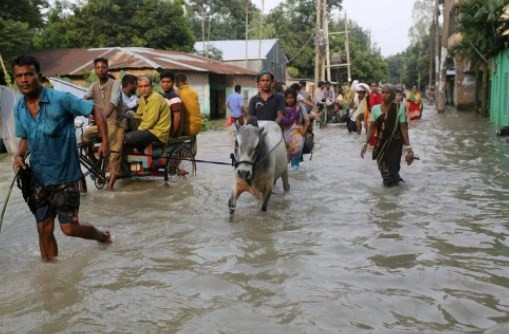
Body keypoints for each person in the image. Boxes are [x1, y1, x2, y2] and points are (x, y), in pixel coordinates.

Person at [11, 55, 111, 261]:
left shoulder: (61, 99)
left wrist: (105, 142)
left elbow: (96, 110)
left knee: (69, 228)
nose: (24, 80)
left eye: (28, 74)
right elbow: (25, 138)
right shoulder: (18, 108)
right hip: (38, 178)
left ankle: (102, 236)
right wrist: (19, 156)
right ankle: (51, 276)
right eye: (19, 76)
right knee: (43, 229)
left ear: (39, 76)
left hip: (66, 176)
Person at [83, 57, 125, 190]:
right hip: (102, 122)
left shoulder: (115, 84)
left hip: (116, 122)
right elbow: (84, 99)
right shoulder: (93, 85)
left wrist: (101, 117)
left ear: (107, 69)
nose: (100, 70)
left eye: (103, 67)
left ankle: (110, 186)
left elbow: (114, 102)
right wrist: (86, 112)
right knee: (83, 139)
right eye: (98, 68)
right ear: (95, 70)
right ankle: (96, 166)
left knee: (115, 151)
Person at [361, 84, 414, 187]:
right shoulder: (375, 109)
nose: (384, 95)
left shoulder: (399, 108)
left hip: (395, 146)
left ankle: (391, 198)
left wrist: (408, 147)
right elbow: (371, 128)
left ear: (393, 95)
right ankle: (390, 195)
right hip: (381, 146)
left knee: (392, 171)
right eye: (383, 92)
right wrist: (365, 143)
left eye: (387, 93)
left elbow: (403, 128)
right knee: (385, 173)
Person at [124, 76, 171, 151]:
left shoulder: (155, 98)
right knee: (127, 119)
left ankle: (140, 149)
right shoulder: (143, 98)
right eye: (140, 86)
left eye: (146, 86)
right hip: (148, 128)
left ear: (151, 86)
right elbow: (138, 116)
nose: (143, 89)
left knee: (128, 138)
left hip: (157, 132)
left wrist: (137, 131)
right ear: (138, 88)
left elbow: (150, 122)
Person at [282, 88, 310, 171]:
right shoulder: (281, 109)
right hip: (286, 135)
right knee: (285, 159)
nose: (289, 100)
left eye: (291, 98)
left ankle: (296, 175)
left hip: (297, 134)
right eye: (287, 98)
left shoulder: (300, 107)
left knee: (295, 154)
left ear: (295, 98)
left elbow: (307, 121)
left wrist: (304, 132)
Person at [160, 69, 183, 138]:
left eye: (168, 82)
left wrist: (171, 135)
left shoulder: (173, 96)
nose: (166, 84)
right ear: (160, 82)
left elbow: (177, 118)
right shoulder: (165, 95)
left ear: (173, 82)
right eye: (163, 82)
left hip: (170, 133)